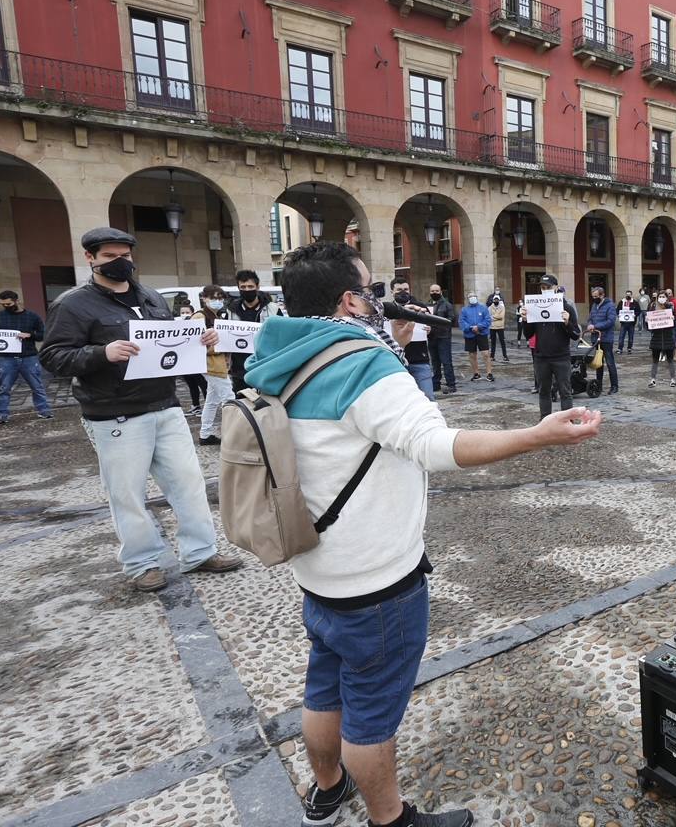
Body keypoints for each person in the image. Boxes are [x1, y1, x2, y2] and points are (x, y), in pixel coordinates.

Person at [243, 241, 600, 827]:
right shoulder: (362, 364)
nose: (381, 297)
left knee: (324, 687)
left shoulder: (281, 352)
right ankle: (392, 819)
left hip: (316, 565)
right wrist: (537, 436)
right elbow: (436, 446)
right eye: (372, 289)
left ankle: (326, 790)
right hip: (377, 576)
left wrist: (389, 347)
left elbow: (343, 425)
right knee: (371, 715)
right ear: (351, 299)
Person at [39, 227, 242, 592]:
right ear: (90, 258)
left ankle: (200, 552)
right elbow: (52, 357)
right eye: (109, 256)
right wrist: (102, 352)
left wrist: (200, 339)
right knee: (127, 493)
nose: (120, 262)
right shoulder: (72, 304)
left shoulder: (150, 296)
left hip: (165, 405)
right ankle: (142, 563)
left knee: (189, 483)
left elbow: (167, 342)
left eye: (125, 255)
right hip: (114, 412)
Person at [521, 274, 581, 418]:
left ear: (555, 288)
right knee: (544, 391)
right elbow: (528, 334)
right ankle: (545, 421)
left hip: (561, 358)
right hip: (541, 358)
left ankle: (568, 422)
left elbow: (575, 334)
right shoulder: (534, 307)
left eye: (548, 287)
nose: (545, 290)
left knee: (565, 392)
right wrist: (525, 320)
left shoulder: (566, 307)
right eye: (542, 287)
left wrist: (567, 323)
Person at [0, 289, 52, 423]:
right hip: (6, 358)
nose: (5, 307)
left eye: (8, 304)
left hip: (28, 356)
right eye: (3, 304)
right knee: (4, 388)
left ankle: (44, 411)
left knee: (37, 386)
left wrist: (29, 335)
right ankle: (2, 415)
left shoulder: (33, 316)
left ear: (17, 301)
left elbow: (42, 335)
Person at [226, 270, 283, 393]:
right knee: (242, 405)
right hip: (239, 368)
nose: (247, 290)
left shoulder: (273, 309)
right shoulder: (231, 310)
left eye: (250, 286)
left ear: (257, 287)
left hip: (264, 364)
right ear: (238, 288)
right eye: (243, 287)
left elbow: (281, 333)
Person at [191, 285, 234, 445]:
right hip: (210, 365)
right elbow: (195, 345)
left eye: (220, 298)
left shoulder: (216, 316)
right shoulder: (199, 317)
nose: (218, 301)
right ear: (204, 298)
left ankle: (205, 434)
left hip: (217, 364)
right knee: (229, 398)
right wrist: (218, 348)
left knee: (212, 400)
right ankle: (232, 435)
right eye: (213, 298)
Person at [388, 280, 435, 399]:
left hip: (419, 358)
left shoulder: (421, 307)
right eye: (399, 290)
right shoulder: (388, 310)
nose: (403, 292)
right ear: (392, 291)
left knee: (427, 397)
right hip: (396, 362)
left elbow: (433, 328)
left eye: (406, 290)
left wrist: (430, 329)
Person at [584, 285, 619, 396]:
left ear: (602, 295)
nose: (594, 298)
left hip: (606, 338)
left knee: (610, 363)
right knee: (598, 363)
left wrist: (596, 326)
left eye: (596, 296)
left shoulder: (610, 306)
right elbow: (590, 318)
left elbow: (610, 321)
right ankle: (599, 384)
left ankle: (614, 386)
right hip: (596, 338)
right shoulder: (594, 305)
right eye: (593, 296)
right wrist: (590, 324)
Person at [426, 284, 457, 395]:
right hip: (431, 337)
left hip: (443, 337)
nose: (434, 293)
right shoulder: (428, 305)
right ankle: (436, 383)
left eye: (437, 291)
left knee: (446, 361)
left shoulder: (447, 305)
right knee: (435, 362)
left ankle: (451, 384)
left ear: (441, 292)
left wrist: (436, 325)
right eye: (432, 291)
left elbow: (451, 320)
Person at [646, 291, 676, 387]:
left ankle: (672, 379)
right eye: (660, 296)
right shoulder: (652, 307)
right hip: (656, 337)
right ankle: (653, 380)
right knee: (655, 360)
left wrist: (673, 319)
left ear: (666, 298)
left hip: (668, 337)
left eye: (663, 296)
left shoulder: (670, 308)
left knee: (670, 360)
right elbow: (648, 327)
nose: (661, 298)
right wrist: (647, 321)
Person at [459, 294, 493, 383]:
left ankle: (489, 373)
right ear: (468, 299)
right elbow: (462, 321)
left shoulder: (483, 308)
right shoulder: (464, 310)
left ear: (477, 297)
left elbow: (488, 320)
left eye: (473, 296)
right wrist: (470, 328)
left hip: (482, 333)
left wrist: (479, 327)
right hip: (469, 335)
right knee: (472, 354)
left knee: (486, 354)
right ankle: (476, 373)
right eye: (470, 296)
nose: (472, 298)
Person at [488, 294, 509, 362]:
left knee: (502, 342)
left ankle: (505, 356)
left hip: (500, 326)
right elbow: (489, 317)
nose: (496, 301)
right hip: (492, 327)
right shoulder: (490, 308)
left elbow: (501, 316)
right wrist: (496, 317)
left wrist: (493, 317)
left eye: (497, 299)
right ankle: (492, 356)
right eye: (495, 299)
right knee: (493, 342)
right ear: (493, 300)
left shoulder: (502, 307)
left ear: (499, 300)